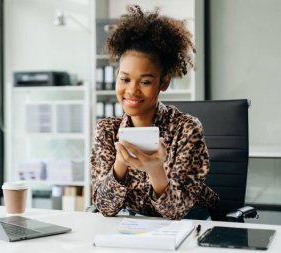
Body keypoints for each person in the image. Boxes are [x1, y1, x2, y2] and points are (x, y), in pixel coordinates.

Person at [90, 5, 219, 220]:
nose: (132, 90)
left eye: (146, 81)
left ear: (164, 83)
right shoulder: (107, 130)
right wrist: (120, 165)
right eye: (125, 79)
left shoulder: (186, 129)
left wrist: (156, 170)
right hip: (135, 228)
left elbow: (176, 212)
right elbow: (105, 208)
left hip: (189, 225)